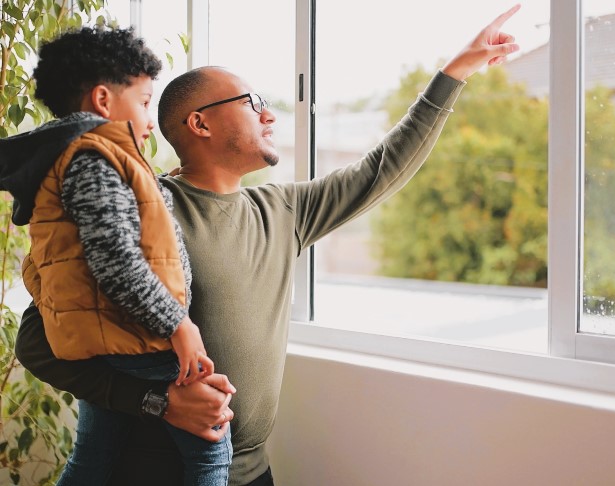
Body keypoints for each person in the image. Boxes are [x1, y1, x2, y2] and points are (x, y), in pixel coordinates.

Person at [13, 5, 521, 486]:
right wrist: (158, 401)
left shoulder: (282, 211)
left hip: (251, 472)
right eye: (253, 103)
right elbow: (37, 342)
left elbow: (382, 170)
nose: (270, 115)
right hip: (144, 473)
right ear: (200, 123)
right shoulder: (146, 213)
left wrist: (457, 71)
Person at [0, 27, 235, 485]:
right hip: (140, 337)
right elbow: (118, 262)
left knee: (93, 455)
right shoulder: (95, 158)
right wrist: (179, 325)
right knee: (212, 448)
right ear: (104, 101)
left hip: (106, 337)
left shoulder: (68, 158)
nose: (151, 119)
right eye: (145, 102)